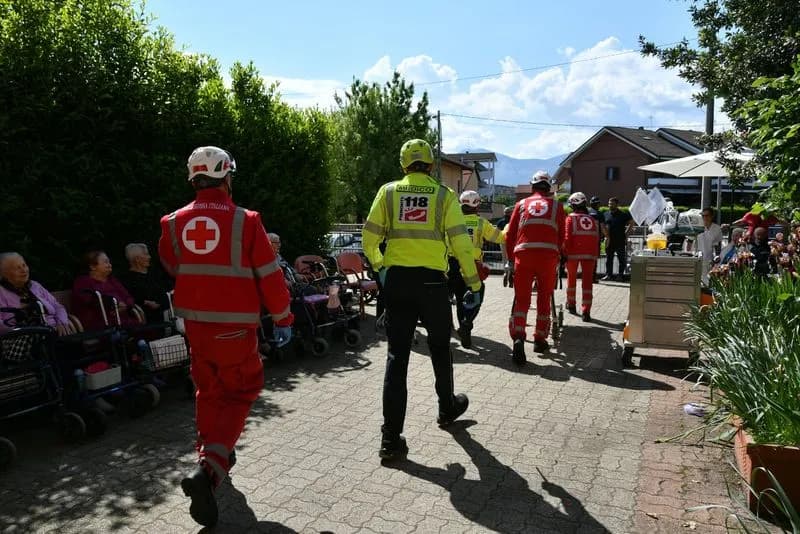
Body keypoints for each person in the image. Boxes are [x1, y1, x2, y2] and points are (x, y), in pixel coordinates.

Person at [158, 146, 294, 527]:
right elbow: (270, 274)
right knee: (241, 391)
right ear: (226, 176)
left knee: (208, 391)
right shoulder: (246, 221)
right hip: (235, 329)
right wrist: (283, 316)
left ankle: (210, 453)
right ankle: (211, 469)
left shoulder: (171, 222)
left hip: (195, 327)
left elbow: (172, 264)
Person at [362, 138, 479, 462]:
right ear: (430, 164)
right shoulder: (444, 196)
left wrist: (382, 267)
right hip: (432, 284)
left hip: (397, 282)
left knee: (397, 358)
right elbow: (460, 244)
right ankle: (446, 408)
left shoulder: (388, 192)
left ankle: (390, 439)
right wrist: (473, 281)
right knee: (441, 349)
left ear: (403, 165)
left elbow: (369, 237)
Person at [505, 170, 566, 364]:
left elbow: (510, 235)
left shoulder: (521, 204)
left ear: (532, 186)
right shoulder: (557, 206)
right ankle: (540, 339)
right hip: (548, 258)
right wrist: (558, 255)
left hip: (523, 255)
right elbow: (562, 236)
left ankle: (518, 336)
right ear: (549, 188)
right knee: (544, 297)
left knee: (522, 299)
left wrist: (509, 260)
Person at [448, 190, 505, 349]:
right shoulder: (481, 223)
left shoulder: (452, 221)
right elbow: (500, 237)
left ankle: (461, 329)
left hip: (452, 264)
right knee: (476, 294)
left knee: (459, 298)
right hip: (472, 265)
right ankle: (467, 324)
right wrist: (509, 227)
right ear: (477, 204)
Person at [0, 252, 74, 335]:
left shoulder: (35, 285)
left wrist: (62, 322)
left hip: (55, 330)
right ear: (4, 273)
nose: (23, 270)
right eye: (17, 268)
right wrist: (19, 331)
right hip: (25, 337)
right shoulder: (2, 292)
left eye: (24, 265)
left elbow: (57, 306)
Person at [71, 251, 139, 331]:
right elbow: (91, 300)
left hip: (123, 320)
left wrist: (127, 306)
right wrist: (115, 304)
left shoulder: (112, 280)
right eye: (106, 262)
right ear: (93, 266)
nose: (110, 265)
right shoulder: (82, 282)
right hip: (100, 324)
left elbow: (128, 297)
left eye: (109, 262)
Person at [562, 193, 599, 322]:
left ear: (573, 204)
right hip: (590, 255)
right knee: (588, 283)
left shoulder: (570, 219)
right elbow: (596, 239)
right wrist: (595, 255)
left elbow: (567, 238)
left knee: (571, 280)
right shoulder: (593, 219)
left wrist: (564, 254)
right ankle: (586, 311)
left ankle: (571, 304)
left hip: (573, 254)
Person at [120, 243, 170, 324]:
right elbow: (131, 299)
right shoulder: (128, 280)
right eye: (146, 254)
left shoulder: (155, 274)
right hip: (149, 320)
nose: (149, 257)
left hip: (168, 313)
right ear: (137, 259)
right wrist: (145, 302)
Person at [601, 197, 634, 281]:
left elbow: (631, 222)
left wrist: (626, 234)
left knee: (621, 259)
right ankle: (609, 275)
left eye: (612, 204)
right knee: (609, 259)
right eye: (609, 204)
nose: (610, 205)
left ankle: (620, 276)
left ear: (617, 204)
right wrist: (605, 236)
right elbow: (603, 226)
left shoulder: (622, 214)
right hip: (609, 241)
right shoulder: (606, 214)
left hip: (620, 240)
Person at [696, 207, 723, 284]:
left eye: (707, 215)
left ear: (712, 216)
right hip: (697, 258)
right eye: (703, 216)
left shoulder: (717, 229)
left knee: (706, 281)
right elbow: (690, 241)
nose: (705, 217)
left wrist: (716, 257)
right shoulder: (698, 226)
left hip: (709, 259)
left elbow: (717, 245)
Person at [497, 205, 514, 287]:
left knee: (504, 258)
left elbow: (497, 233)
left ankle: (505, 272)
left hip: (503, 241)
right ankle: (511, 273)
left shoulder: (500, 222)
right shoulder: (513, 221)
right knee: (511, 258)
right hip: (512, 242)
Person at [588, 196, 604, 281]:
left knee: (586, 259)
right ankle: (593, 277)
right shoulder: (599, 214)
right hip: (595, 240)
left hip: (585, 239)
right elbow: (602, 228)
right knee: (594, 259)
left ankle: (586, 277)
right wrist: (606, 236)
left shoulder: (586, 212)